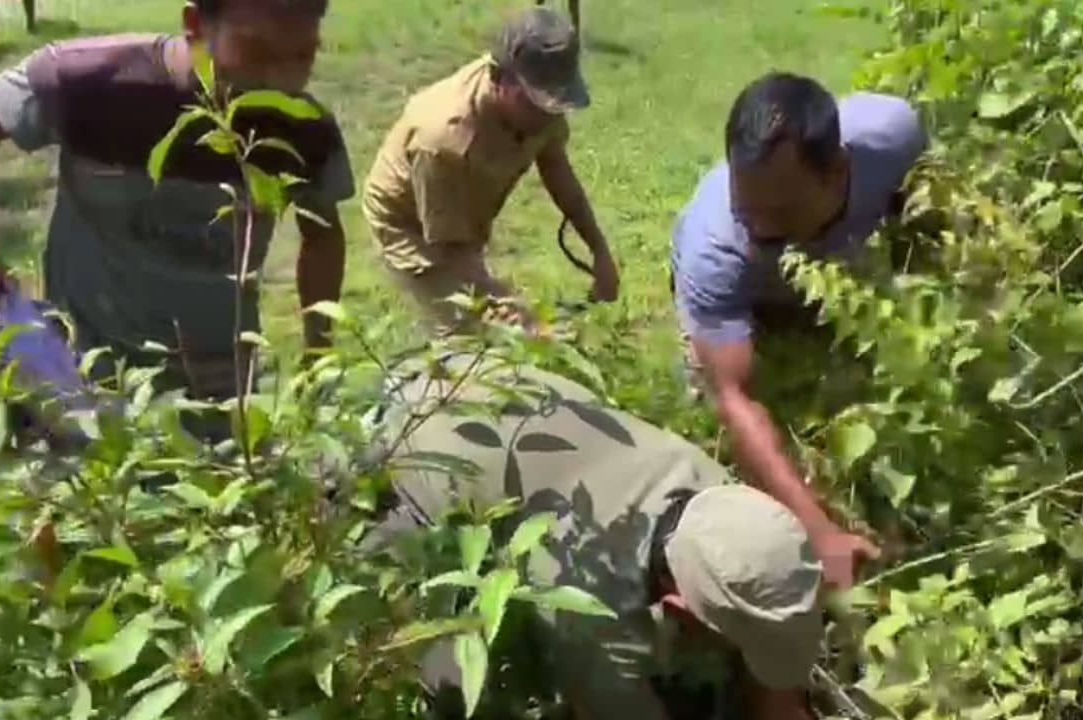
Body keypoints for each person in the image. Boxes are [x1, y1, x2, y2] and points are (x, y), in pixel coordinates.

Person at [367, 355, 834, 720]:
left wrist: (781, 699)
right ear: (676, 609)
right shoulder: (588, 603)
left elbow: (774, 626)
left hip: (480, 377)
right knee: (451, 678)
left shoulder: (721, 501)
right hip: (394, 439)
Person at [0, 0, 354, 413]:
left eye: (303, 56)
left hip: (219, 389)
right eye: (256, 51)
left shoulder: (303, 128)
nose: (279, 80)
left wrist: (317, 353)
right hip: (83, 374)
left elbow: (321, 233)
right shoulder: (91, 81)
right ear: (195, 25)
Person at [668, 72, 928, 587]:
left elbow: (925, 219)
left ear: (838, 172)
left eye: (781, 212)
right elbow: (735, 399)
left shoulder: (893, 137)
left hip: (831, 279)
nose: (762, 230)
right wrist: (819, 533)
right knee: (725, 426)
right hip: (745, 299)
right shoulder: (715, 249)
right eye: (749, 212)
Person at [361, 7, 620, 335]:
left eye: (557, 103)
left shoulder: (540, 106)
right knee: (468, 329)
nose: (548, 117)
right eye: (538, 104)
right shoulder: (444, 140)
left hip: (464, 205)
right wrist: (513, 310)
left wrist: (599, 251)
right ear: (499, 79)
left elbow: (556, 168)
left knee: (499, 317)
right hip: (409, 224)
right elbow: (450, 249)